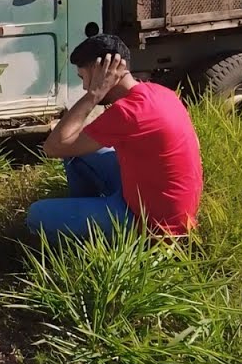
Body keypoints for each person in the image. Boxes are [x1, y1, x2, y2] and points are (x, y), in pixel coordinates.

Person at [28, 34, 203, 242]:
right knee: (78, 154)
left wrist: (94, 94)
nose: (84, 86)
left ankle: (89, 232)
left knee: (37, 215)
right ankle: (86, 216)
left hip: (152, 224)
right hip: (173, 207)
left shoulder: (128, 112)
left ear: (100, 71)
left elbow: (53, 147)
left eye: (83, 77)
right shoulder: (160, 92)